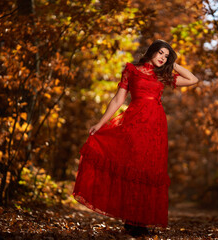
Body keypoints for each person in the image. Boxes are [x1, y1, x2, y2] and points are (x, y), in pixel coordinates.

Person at [72, 39, 199, 237]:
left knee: (149, 168)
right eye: (161, 53)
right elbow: (118, 99)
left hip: (156, 126)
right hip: (134, 123)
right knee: (134, 168)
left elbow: (193, 80)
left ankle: (138, 221)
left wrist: (171, 64)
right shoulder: (131, 70)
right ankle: (132, 219)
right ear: (152, 52)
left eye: (166, 56)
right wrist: (100, 123)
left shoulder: (163, 75)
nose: (163, 58)